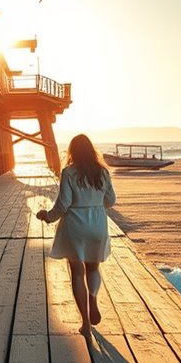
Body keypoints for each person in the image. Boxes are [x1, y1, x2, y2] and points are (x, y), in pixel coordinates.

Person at [37, 134, 117, 337]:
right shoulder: (102, 172)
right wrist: (96, 207)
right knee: (93, 268)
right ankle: (93, 297)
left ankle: (85, 324)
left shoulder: (68, 173)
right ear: (92, 150)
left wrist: (48, 217)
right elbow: (111, 200)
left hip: (75, 226)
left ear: (72, 152)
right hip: (97, 224)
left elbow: (63, 204)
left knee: (77, 272)